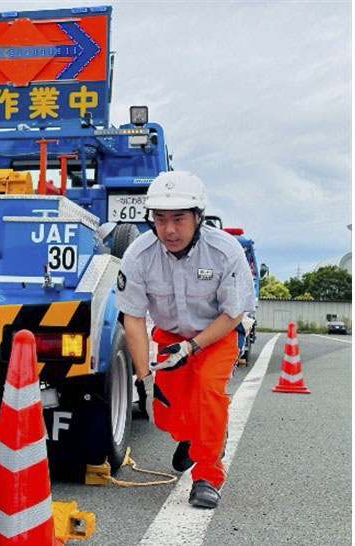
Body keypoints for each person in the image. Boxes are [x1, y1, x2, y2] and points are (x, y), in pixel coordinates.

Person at [116, 170, 255, 509]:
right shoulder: (138, 255)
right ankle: (194, 438)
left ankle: (207, 474)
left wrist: (192, 347)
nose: (169, 230)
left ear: (198, 217)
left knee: (208, 389)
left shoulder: (225, 252)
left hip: (217, 334)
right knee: (164, 413)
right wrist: (144, 381)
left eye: (179, 218)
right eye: (160, 219)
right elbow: (133, 319)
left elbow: (233, 314)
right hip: (169, 335)